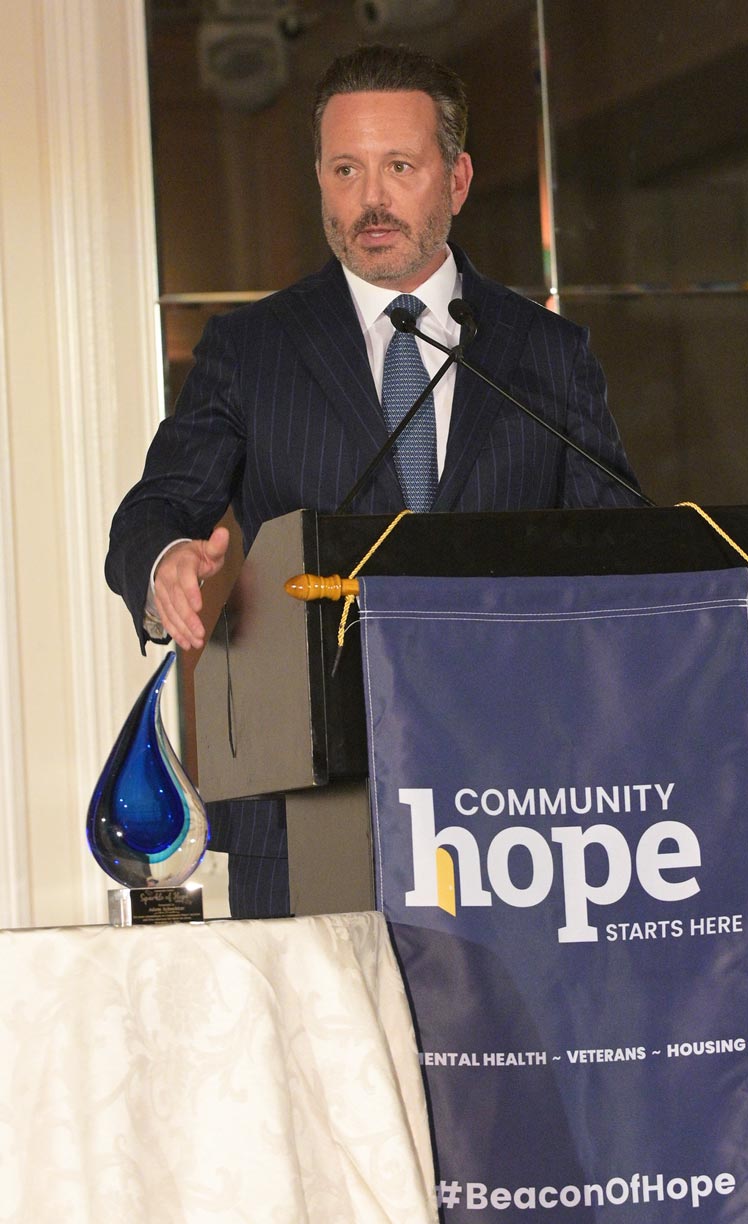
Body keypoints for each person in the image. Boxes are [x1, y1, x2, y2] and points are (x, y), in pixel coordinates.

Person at [106, 43, 643, 919]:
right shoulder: (252, 351)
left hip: (516, 805)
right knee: (324, 1057)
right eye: (346, 169)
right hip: (303, 793)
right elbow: (157, 506)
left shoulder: (543, 353)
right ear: (320, 178)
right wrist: (165, 558)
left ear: (457, 178)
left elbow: (621, 543)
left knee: (493, 1058)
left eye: (400, 166)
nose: (372, 199)